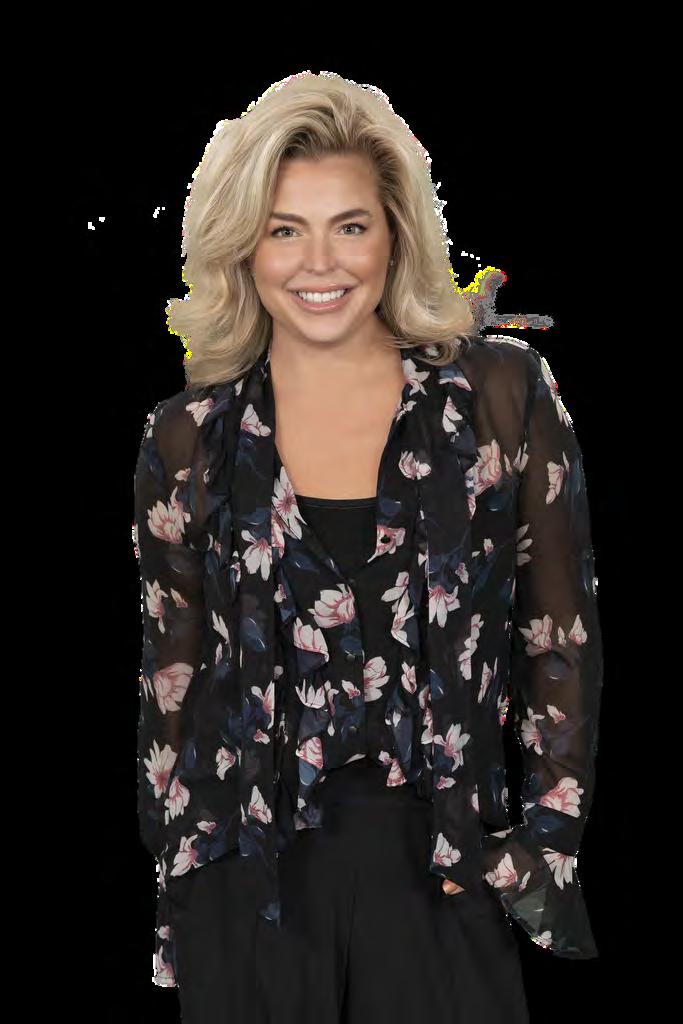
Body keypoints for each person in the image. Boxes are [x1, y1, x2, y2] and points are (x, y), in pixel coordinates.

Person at [133, 71, 603, 1024]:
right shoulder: (187, 436)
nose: (319, 262)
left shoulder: (498, 396)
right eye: (284, 229)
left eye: (349, 226)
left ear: (394, 236)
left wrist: (538, 845)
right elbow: (170, 681)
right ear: (244, 246)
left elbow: (558, 639)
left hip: (446, 873)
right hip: (244, 886)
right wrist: (180, 891)